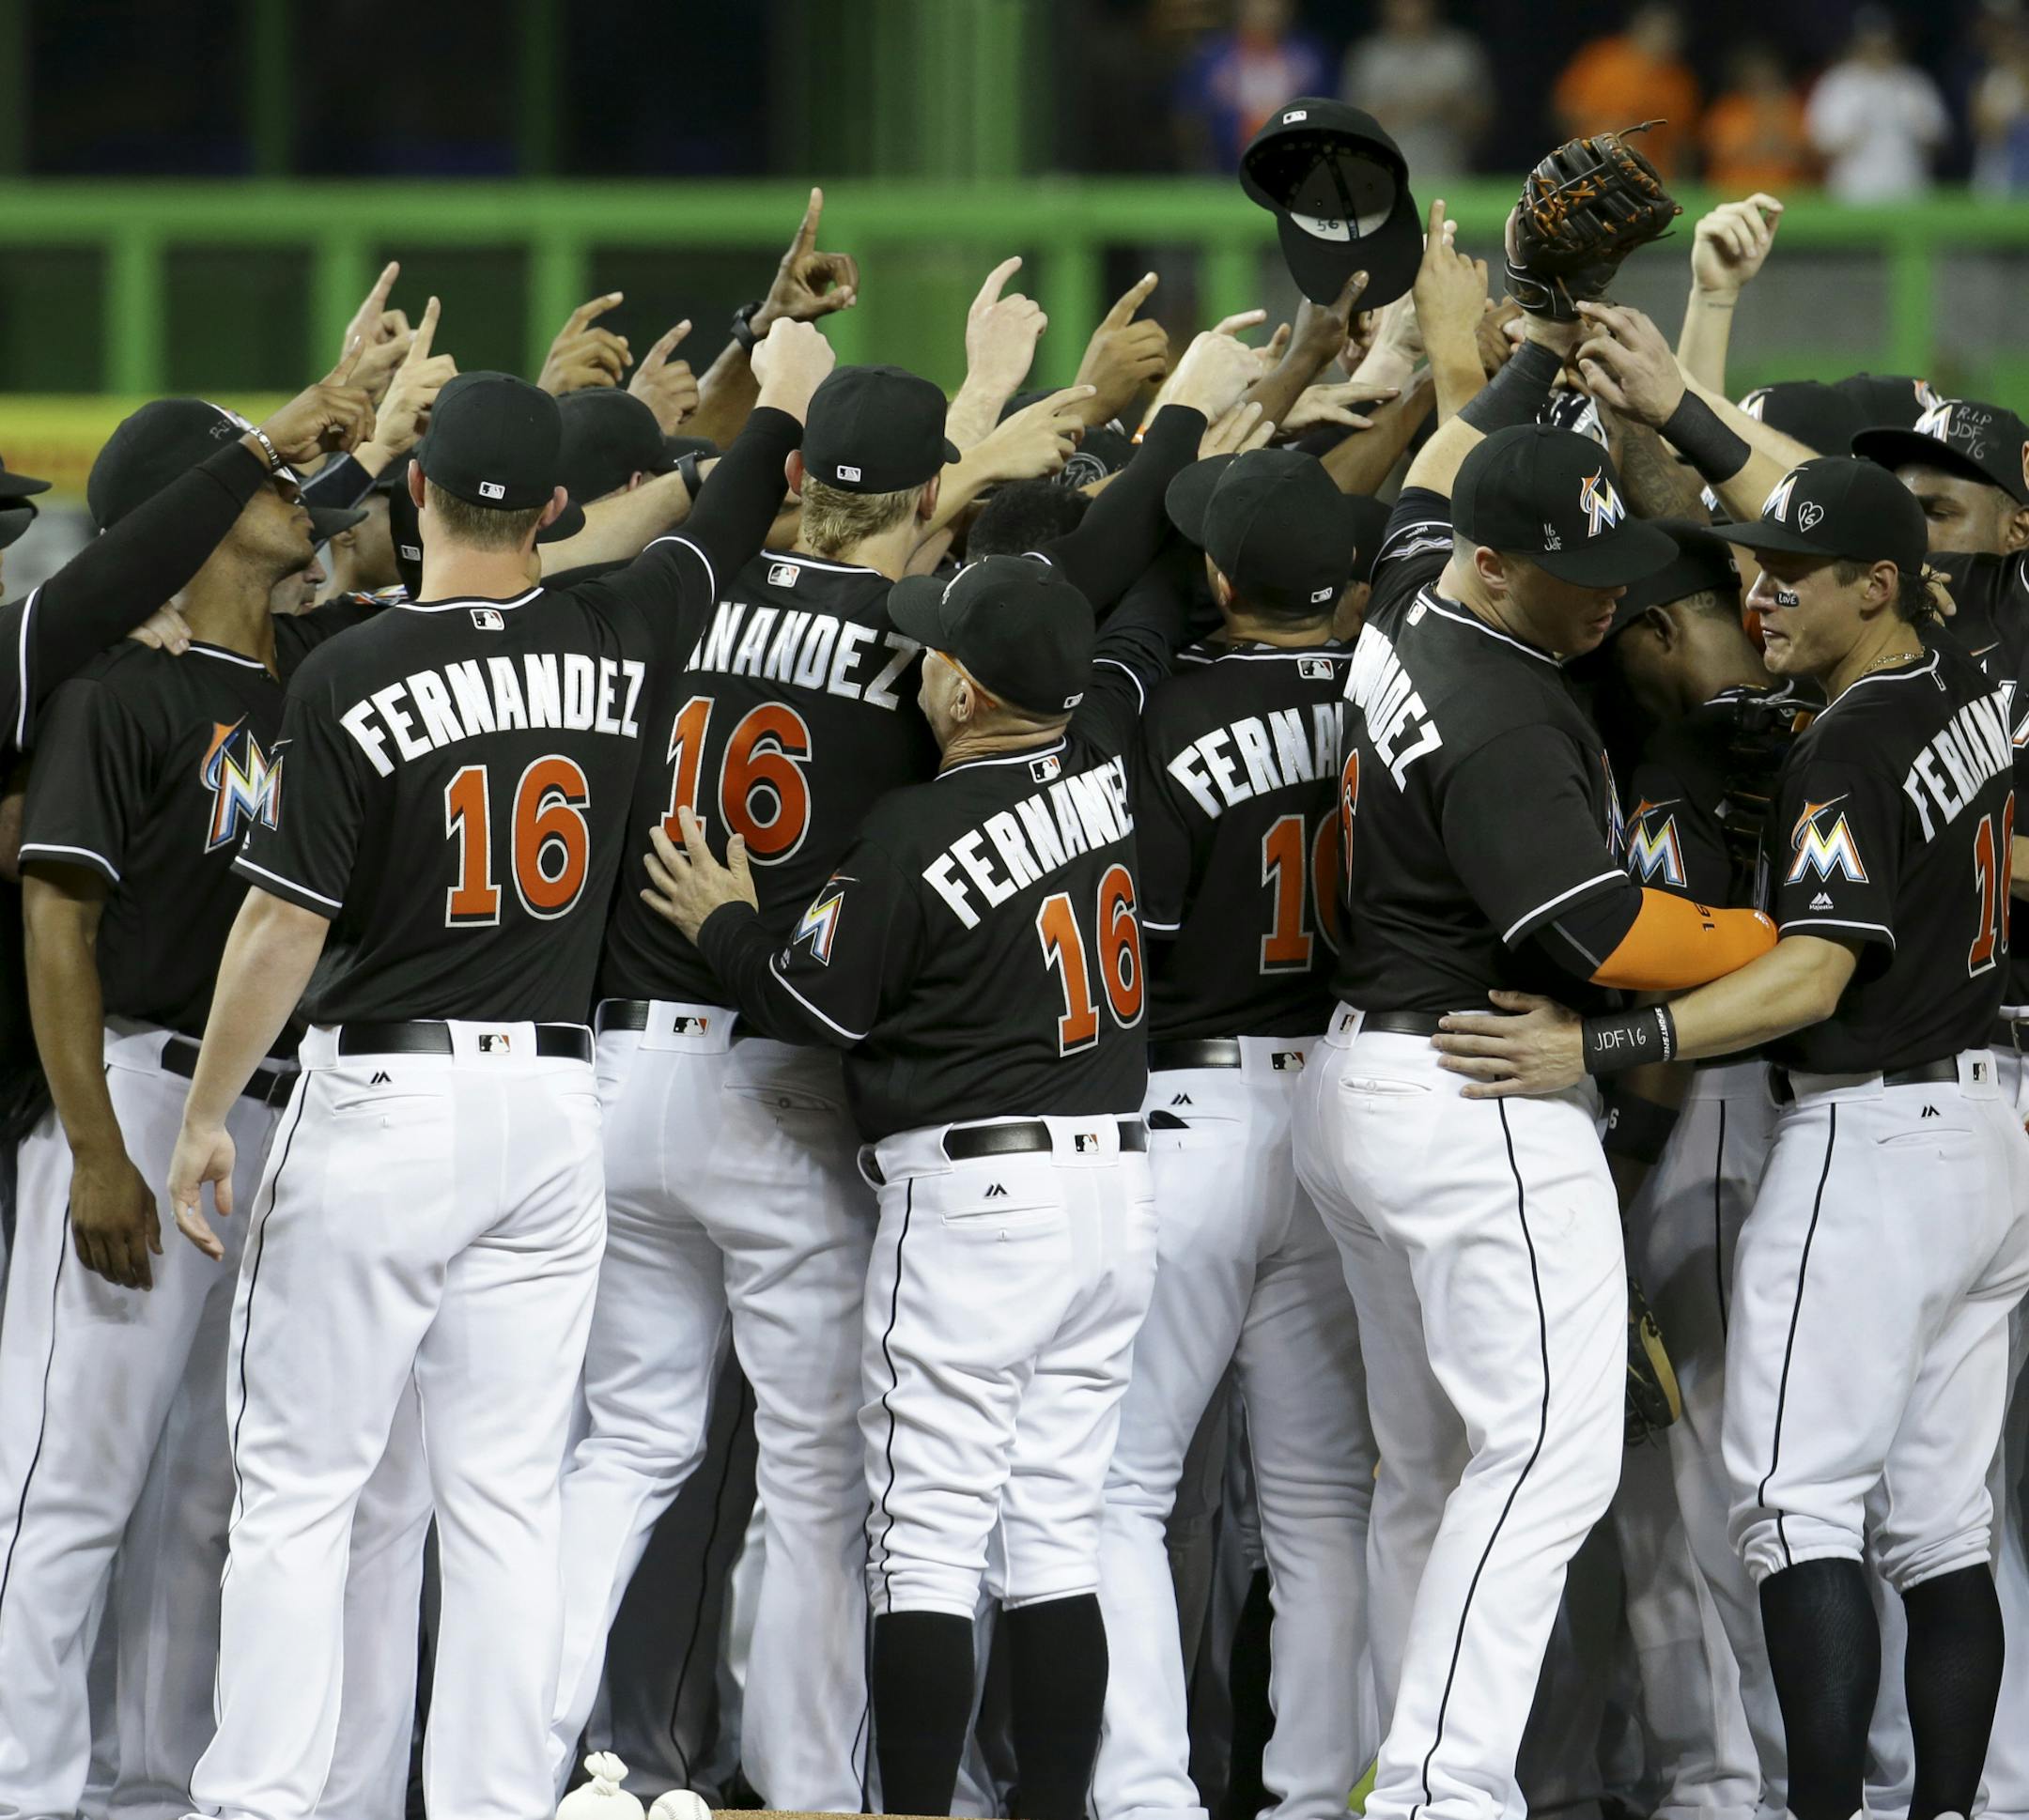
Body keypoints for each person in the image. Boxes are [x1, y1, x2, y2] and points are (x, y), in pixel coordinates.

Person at [552, 314, 1244, 1805]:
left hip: (620, 1062)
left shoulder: (691, 584)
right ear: (937, 496)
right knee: (827, 1491)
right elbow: (1093, 572)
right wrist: (1183, 410)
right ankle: (820, 1787)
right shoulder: (925, 646)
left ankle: (505, 1760)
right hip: (787, 1080)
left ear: (797, 472)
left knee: (618, 1450)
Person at [161, 324, 835, 1820]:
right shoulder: (619, 630)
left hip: (385, 1106)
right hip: (549, 1107)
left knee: (302, 1492)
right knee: (506, 1498)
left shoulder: (351, 667)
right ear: (549, 511)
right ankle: (487, 1802)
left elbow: (280, 922)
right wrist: (782, 395)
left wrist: (210, 1108)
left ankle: (262, 1803)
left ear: (413, 492)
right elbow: (718, 521)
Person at [1433, 456, 2029, 1820]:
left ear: (1879, 586)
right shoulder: (1968, 686)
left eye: (1795, 576)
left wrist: (1600, 1047)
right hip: (1989, 1128)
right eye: (1756, 566)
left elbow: (1812, 975)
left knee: (1791, 1504)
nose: (1761, 592)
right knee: (1943, 1524)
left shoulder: (1848, 741)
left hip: (1873, 1141)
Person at [1290, 202, 1781, 1820]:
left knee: (1432, 1470)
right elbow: (1593, 924)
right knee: (1557, 1451)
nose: (1605, 602)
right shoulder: (1503, 711)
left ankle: (1393, 1767)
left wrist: (1546, 324)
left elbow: (1445, 470)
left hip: (1369, 1085)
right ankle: (1442, 1786)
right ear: (1507, 565)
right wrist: (1767, 933)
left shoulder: (1424, 586)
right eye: (1573, 575)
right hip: (1477, 1086)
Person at [636, 535, 1207, 1820]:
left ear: (962, 693)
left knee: (932, 1542)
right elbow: (1137, 637)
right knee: (1056, 1532)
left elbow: (812, 1000)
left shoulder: (913, 828)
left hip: (979, 1203)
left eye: (936, 649)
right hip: (1116, 1188)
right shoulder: (1107, 763)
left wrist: (728, 919)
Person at [0, 387, 401, 1820]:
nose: (297, 488)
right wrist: (99, 1151)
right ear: (189, 510)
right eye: (264, 473)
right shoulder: (120, 688)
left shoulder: (316, 676)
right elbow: (58, 926)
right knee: (64, 1487)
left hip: (270, 1118)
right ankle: (22, 1788)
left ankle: (154, 1785)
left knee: (200, 1493)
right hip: (130, 1089)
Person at [1092, 448, 1374, 1820]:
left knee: (1121, 1489)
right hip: (1347, 1107)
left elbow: (1129, 953)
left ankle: (1147, 1795)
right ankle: (1319, 1795)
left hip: (1192, 1109)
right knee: (1325, 1506)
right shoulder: (1400, 697)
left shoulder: (1177, 706)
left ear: (1218, 579)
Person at [1586, 523, 1807, 1818]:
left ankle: (1743, 1779)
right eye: (1734, 599)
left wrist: (1628, 1157)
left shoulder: (1694, 755)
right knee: (1750, 1480)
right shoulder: (1719, 751)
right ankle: (1753, 1775)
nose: (1758, 614)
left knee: (1722, 1483)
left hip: (1722, 1124)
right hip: (1766, 1124)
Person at [1806, 8, 1948, 203]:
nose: (1877, 49)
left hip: (1909, 192)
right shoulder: (1838, 83)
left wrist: (1917, 129)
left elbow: (1939, 143)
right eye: (1870, 43)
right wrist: (1851, 138)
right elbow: (1816, 148)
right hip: (1853, 195)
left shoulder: (1914, 83)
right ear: (1857, 43)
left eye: (1883, 43)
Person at [1171, 0, 1331, 174]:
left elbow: (1324, 113)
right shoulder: (1211, 57)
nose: (1263, 8)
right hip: (1223, 170)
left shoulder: (1309, 57)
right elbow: (1189, 114)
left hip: (1296, 165)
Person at [1339, 0, 1493, 179]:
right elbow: (1349, 127)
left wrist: (1449, 107)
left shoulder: (1458, 53)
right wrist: (1411, 107)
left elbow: (1482, 121)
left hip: (1448, 177)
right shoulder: (1367, 56)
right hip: (1380, 180)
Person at [1553, 5, 1700, 179]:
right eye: (1656, 29)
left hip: (1650, 180)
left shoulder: (1678, 81)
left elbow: (1682, 144)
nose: (1663, 37)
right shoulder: (1603, 60)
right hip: (1590, 170)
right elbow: (1564, 111)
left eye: (1670, 32)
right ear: (1637, 27)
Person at [1699, 44, 1813, 194]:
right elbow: (1720, 153)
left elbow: (1805, 154)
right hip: (1733, 194)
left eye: (1766, 71)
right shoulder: (1728, 109)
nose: (1760, 78)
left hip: (1786, 196)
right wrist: (1761, 144)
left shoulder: (1791, 108)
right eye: (1753, 72)